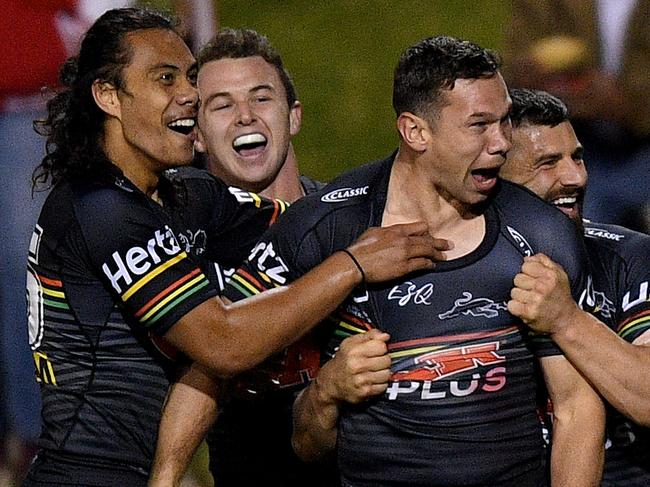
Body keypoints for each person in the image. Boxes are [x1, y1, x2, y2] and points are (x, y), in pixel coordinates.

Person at [21, 8, 445, 486]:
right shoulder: (100, 209)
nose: (188, 95)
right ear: (108, 96)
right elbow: (222, 344)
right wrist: (352, 266)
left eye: (190, 78)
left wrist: (439, 182)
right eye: (165, 78)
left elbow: (313, 220)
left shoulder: (184, 197)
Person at [230, 35, 603, 486]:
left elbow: (576, 409)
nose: (502, 143)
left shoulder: (543, 235)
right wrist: (327, 391)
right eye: (479, 125)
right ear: (415, 132)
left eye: (504, 122)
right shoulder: (324, 228)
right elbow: (304, 445)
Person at [194, 28, 330, 486]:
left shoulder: (350, 221)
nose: (245, 117)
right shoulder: (183, 248)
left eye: (261, 98)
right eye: (222, 105)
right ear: (196, 135)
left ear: (294, 116)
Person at [500, 88, 650, 486]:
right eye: (547, 163)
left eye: (577, 156)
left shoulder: (629, 257)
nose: (576, 177)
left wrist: (566, 320)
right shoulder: (448, 275)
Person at [504, 0, 650, 232]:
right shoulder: (548, 6)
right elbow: (515, 68)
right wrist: (532, 77)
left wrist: (627, 105)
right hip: (577, 141)